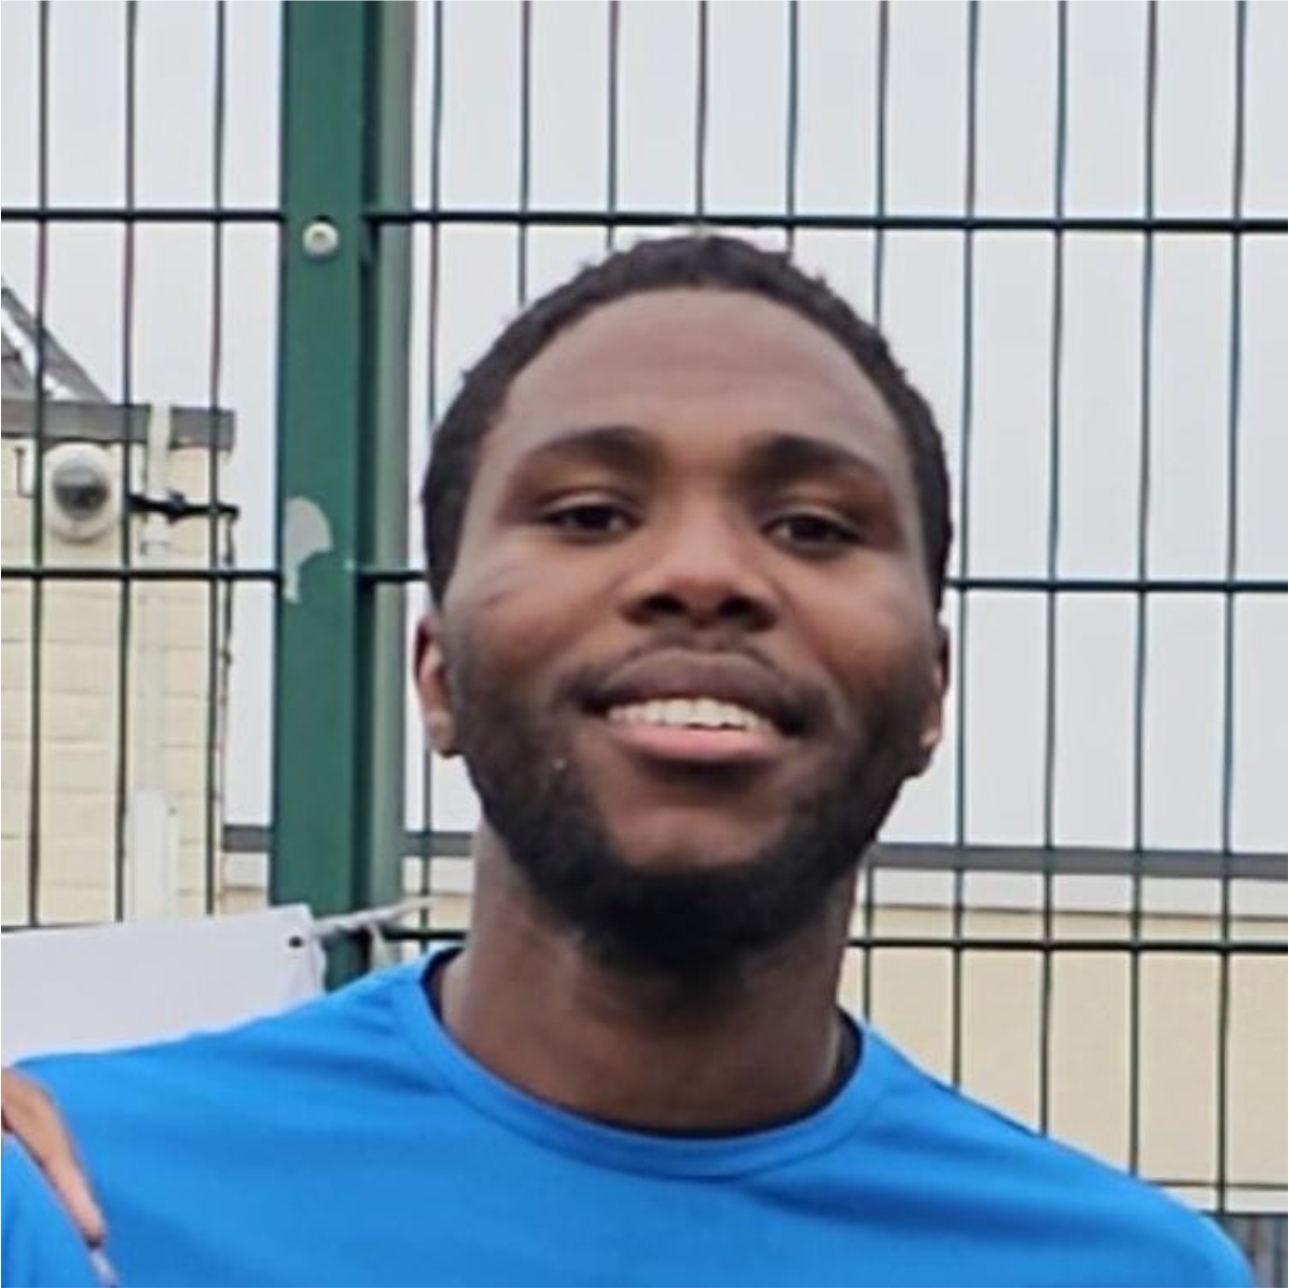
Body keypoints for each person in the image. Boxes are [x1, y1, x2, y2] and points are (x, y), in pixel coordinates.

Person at [1, 235, 1252, 1287]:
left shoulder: (1129, 1274)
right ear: (436, 672)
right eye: (589, 514)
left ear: (930, 687)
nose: (701, 574)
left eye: (813, 526)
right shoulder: (64, 1201)